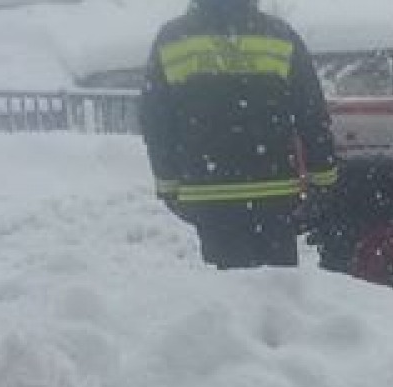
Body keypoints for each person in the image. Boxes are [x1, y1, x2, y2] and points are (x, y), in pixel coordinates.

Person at [140, 0, 338, 269]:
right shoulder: (280, 36)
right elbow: (312, 114)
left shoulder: (172, 39)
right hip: (274, 191)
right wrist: (323, 179)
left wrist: (168, 185)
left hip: (207, 192)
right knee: (279, 286)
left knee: (229, 287)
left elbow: (155, 120)